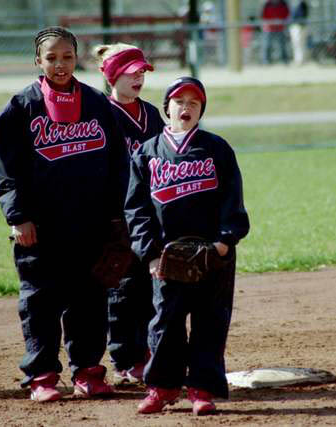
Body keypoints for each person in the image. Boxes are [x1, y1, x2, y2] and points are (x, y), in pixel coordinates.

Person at [0, 26, 128, 403]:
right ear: (38, 61)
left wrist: (116, 215)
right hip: (41, 227)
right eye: (51, 57)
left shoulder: (97, 103)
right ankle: (42, 375)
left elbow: (119, 163)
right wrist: (17, 216)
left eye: (67, 56)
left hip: (91, 223)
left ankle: (88, 371)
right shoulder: (21, 107)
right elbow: (5, 168)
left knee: (90, 300)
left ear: (77, 58)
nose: (60, 64)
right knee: (40, 302)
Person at [124, 77, 250, 416]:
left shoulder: (216, 148)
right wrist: (150, 254)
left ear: (201, 110)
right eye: (179, 101)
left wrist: (225, 241)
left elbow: (232, 198)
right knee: (164, 322)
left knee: (210, 322)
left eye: (194, 103)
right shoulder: (147, 152)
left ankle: (202, 389)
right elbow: (137, 209)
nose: (186, 107)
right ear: (167, 108)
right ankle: (162, 387)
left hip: (212, 254)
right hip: (167, 256)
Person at [92, 42, 166, 385]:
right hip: (116, 216)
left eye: (142, 72)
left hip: (149, 214)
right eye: (130, 72)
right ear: (112, 76)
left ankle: (148, 350)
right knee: (122, 288)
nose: (138, 78)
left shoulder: (151, 113)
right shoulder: (101, 114)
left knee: (151, 284)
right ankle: (125, 358)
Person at [260, 0, 290, 64]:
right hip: (269, 28)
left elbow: (287, 14)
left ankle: (284, 60)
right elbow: (263, 15)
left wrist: (281, 20)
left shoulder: (283, 3)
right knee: (267, 45)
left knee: (282, 45)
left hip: (280, 27)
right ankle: (266, 60)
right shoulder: (267, 4)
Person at [290, 0, 310, 65]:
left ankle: (301, 60)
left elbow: (302, 15)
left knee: (300, 44)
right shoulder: (295, 4)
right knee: (297, 44)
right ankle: (299, 59)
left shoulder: (302, 4)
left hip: (299, 26)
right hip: (296, 26)